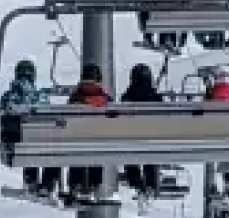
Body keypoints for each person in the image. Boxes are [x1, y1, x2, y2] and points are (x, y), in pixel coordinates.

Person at [0, 58, 51, 195]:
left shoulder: (7, 97)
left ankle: (30, 181)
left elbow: (1, 114)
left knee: (26, 141)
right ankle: (48, 184)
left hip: (14, 145)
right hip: (40, 142)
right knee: (46, 145)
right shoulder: (40, 97)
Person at [119, 62, 163, 196]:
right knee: (151, 151)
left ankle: (135, 180)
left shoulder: (127, 97)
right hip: (151, 139)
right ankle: (151, 183)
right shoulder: (155, 98)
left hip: (132, 139)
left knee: (129, 149)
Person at [66, 64, 109, 198]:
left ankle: (76, 184)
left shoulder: (75, 97)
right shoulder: (104, 98)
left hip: (77, 139)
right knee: (97, 148)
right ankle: (94, 185)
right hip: (98, 140)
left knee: (77, 149)